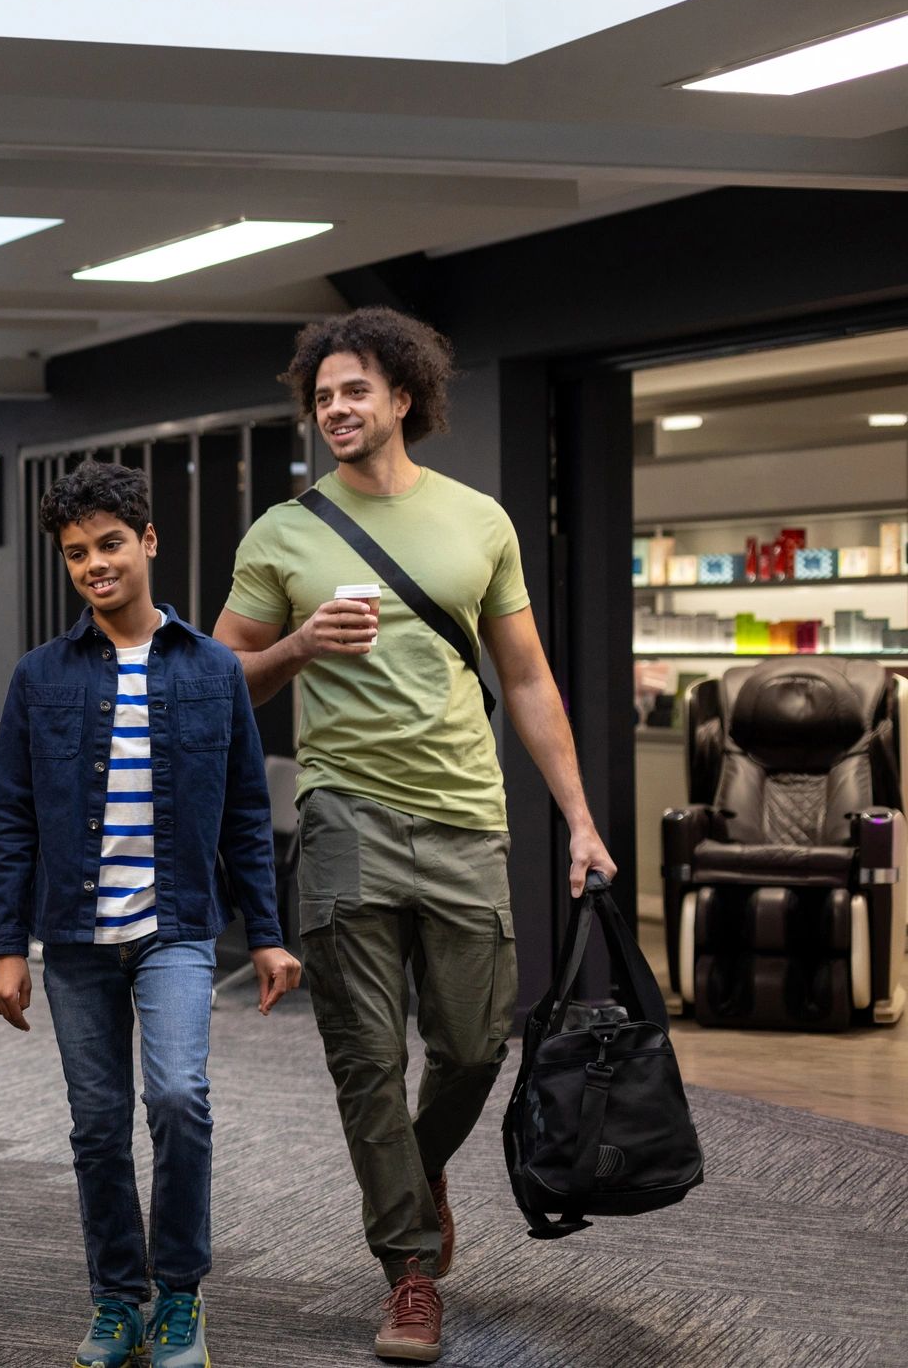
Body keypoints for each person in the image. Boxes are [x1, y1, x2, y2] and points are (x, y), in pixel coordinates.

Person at [213, 306, 616, 1365]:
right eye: (321, 396)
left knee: (478, 1040)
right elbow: (212, 681)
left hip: (462, 816)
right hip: (343, 811)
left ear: (400, 398)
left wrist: (576, 817)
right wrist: (297, 645)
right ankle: (406, 1268)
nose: (335, 409)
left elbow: (524, 677)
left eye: (353, 390)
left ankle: (412, 1164)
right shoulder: (283, 533)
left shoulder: (477, 521)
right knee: (361, 1058)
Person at [0, 461, 298, 1368]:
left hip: (175, 928)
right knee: (95, 1122)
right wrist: (7, 947)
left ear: (148, 542)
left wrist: (269, 935)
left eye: (110, 544)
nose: (94, 564)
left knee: (178, 1099)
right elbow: (13, 819)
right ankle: (117, 1298)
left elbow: (245, 813)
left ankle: (182, 1296)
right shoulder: (40, 678)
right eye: (77, 553)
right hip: (75, 938)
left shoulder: (212, 671)